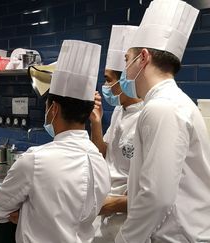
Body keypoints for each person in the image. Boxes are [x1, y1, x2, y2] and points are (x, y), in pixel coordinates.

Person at [0, 40, 111, 243]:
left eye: (47, 106)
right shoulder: (100, 161)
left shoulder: (35, 160)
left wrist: (26, 215)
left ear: (53, 110)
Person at [114, 0, 210, 242]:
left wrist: (124, 239)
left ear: (143, 58)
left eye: (127, 60)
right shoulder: (170, 102)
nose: (124, 70)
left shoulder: (162, 107)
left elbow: (157, 196)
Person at [90, 25, 143, 242]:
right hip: (105, 207)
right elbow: (103, 154)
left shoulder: (147, 116)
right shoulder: (120, 111)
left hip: (127, 217)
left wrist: (113, 204)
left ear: (125, 79)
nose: (105, 86)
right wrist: (96, 122)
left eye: (108, 79)